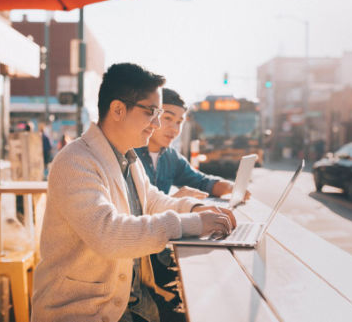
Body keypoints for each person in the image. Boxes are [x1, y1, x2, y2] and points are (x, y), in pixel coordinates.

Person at [31, 63, 236, 322]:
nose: (157, 123)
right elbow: (108, 234)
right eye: (152, 112)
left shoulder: (127, 158)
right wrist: (193, 223)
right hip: (83, 312)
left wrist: (195, 209)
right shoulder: (75, 161)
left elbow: (151, 201)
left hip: (135, 305)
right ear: (118, 109)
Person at [135, 88, 244, 200]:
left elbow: (202, 182)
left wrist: (232, 188)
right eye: (168, 118)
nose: (174, 129)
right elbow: (129, 211)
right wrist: (174, 201)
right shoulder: (129, 154)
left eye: (179, 122)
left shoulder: (171, 157)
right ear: (152, 115)